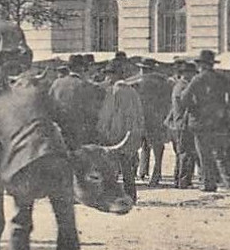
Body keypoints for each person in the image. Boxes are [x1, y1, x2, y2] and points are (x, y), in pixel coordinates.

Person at [0, 71, 83, 250]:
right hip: (56, 161)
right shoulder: (41, 97)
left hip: (24, 167)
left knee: (20, 222)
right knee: (66, 223)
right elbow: (68, 123)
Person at [180, 51, 230, 192]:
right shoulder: (221, 78)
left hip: (201, 123)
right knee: (220, 153)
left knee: (204, 154)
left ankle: (209, 183)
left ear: (201, 65)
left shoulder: (197, 79)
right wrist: (226, 108)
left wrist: (195, 109)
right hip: (218, 121)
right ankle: (229, 182)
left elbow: (184, 98)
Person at [96, 57, 144, 201]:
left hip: (115, 135)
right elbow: (139, 114)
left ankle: (111, 195)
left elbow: (108, 114)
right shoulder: (132, 91)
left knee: (111, 167)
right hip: (130, 134)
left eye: (109, 74)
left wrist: (103, 131)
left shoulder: (113, 91)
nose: (107, 77)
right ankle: (131, 195)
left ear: (115, 75)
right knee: (127, 167)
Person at [127, 58, 172, 186]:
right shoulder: (164, 82)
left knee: (137, 145)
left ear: (143, 69)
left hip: (141, 117)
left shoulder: (137, 81)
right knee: (156, 147)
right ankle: (155, 173)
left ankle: (139, 172)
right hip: (157, 117)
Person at [50, 54, 105, 151]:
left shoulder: (56, 84)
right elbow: (92, 113)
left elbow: (49, 108)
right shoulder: (86, 86)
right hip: (80, 135)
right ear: (82, 68)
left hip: (60, 134)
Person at [167, 59, 197, 188]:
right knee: (185, 153)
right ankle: (183, 181)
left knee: (182, 152)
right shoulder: (184, 86)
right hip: (183, 124)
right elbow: (189, 104)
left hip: (179, 123)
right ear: (187, 73)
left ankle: (179, 180)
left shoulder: (178, 85)